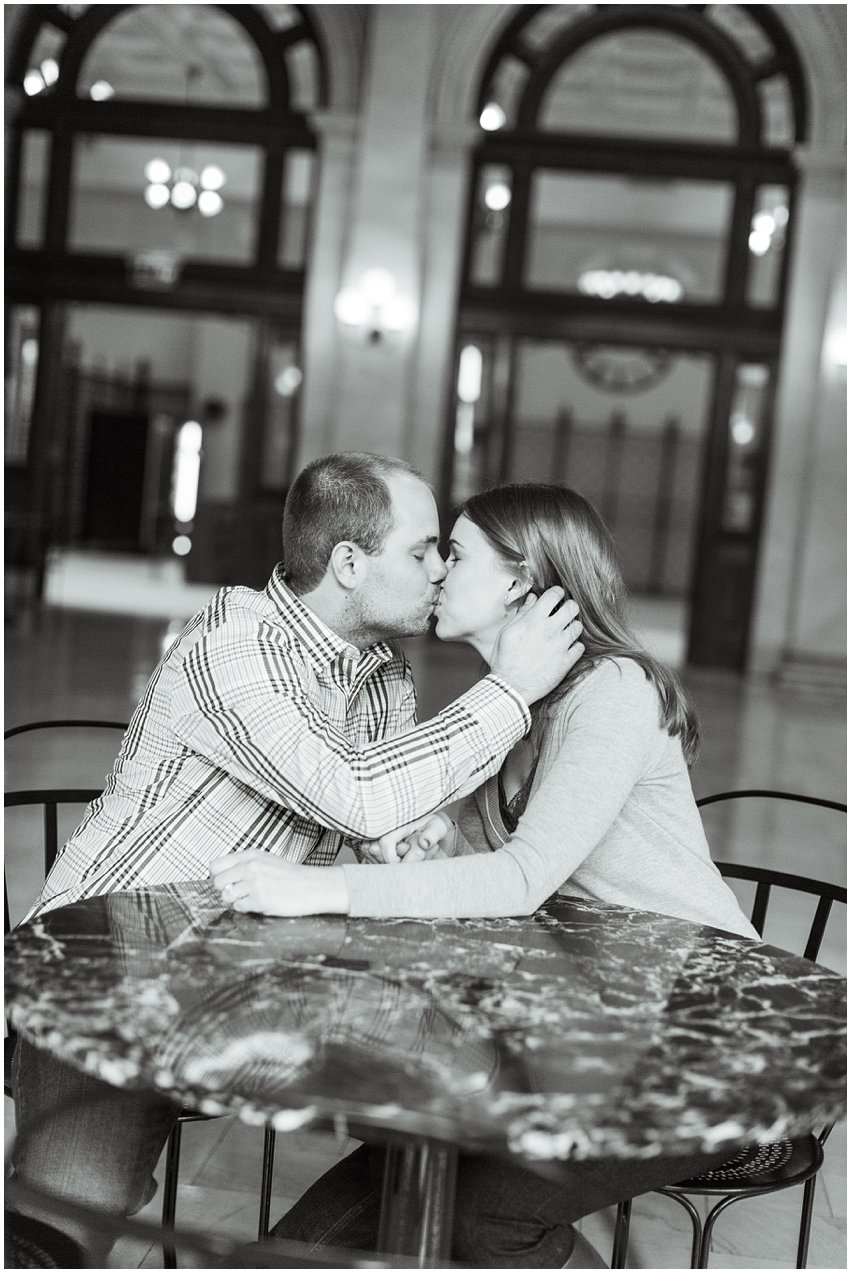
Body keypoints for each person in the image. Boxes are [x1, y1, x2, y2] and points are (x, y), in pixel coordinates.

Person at [10, 454, 584, 1264]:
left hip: (247, 977)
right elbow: (350, 792)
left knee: (464, 1110)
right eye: (422, 551)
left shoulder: (384, 679)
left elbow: (378, 820)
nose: (439, 572)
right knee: (73, 1210)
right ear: (349, 562)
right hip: (112, 970)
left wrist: (413, 841)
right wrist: (509, 689)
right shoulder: (233, 640)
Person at [209, 482, 759, 1268]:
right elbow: (476, 880)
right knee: (332, 1228)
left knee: (482, 1221)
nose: (432, 569)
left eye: (453, 553)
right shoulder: (509, 709)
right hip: (582, 1034)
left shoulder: (613, 692)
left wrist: (317, 887)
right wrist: (423, 849)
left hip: (702, 1044)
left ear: (518, 580)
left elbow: (522, 880)